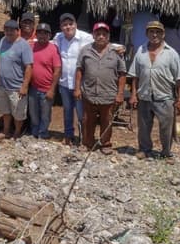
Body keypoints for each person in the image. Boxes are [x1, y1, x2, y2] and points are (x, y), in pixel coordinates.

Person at [130, 20, 180, 161]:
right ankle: (144, 149)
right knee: (143, 127)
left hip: (165, 97)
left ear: (163, 34)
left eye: (158, 32)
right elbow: (135, 76)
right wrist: (133, 95)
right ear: (146, 33)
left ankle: (166, 152)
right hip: (144, 96)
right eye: (151, 31)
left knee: (166, 128)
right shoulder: (140, 51)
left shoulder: (171, 53)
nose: (154, 34)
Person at [74, 22, 126, 154]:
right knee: (88, 120)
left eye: (104, 34)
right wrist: (77, 88)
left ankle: (105, 144)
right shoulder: (85, 50)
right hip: (89, 93)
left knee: (106, 120)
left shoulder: (116, 52)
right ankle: (87, 143)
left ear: (108, 36)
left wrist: (120, 94)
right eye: (98, 34)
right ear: (93, 35)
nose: (101, 36)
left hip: (108, 94)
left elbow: (122, 74)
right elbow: (79, 70)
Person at [54, 13, 92, 147]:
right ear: (61, 27)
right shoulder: (58, 38)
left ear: (75, 24)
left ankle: (83, 138)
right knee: (67, 111)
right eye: (64, 25)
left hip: (80, 84)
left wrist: (117, 48)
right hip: (64, 83)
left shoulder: (86, 38)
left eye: (70, 24)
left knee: (82, 113)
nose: (68, 27)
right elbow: (45, 43)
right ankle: (68, 136)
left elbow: (102, 43)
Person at [0, 19, 33, 139]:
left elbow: (29, 67)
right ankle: (6, 131)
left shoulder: (24, 45)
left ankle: (17, 132)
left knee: (18, 113)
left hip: (16, 87)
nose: (9, 32)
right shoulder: (2, 41)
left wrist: (25, 85)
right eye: (6, 30)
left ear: (18, 31)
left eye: (12, 30)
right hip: (2, 85)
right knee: (5, 111)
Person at [28, 23, 61, 140]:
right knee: (33, 113)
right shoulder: (31, 46)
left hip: (47, 88)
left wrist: (52, 89)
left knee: (45, 114)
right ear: (36, 34)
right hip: (33, 87)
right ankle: (35, 132)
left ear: (49, 35)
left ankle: (43, 133)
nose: (42, 35)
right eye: (40, 33)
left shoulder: (53, 49)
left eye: (45, 33)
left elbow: (57, 71)